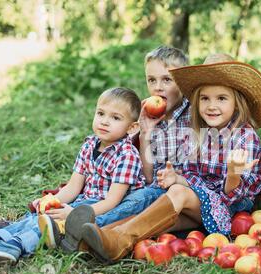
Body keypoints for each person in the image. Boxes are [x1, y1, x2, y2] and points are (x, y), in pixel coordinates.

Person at [79, 54, 261, 263]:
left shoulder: (244, 136)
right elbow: (192, 176)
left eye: (221, 98)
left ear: (237, 102)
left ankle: (115, 241)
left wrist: (233, 174)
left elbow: (232, 196)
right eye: (204, 98)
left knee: (177, 193)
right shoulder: (197, 133)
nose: (211, 105)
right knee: (152, 219)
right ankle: (93, 239)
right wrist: (176, 178)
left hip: (228, 212)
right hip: (199, 206)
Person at [0, 87, 145, 262]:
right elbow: (73, 187)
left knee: (51, 224)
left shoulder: (126, 154)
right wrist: (51, 202)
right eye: (101, 113)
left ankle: (15, 246)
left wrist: (74, 214)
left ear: (132, 127)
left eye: (115, 118)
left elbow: (112, 201)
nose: (104, 121)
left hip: (103, 211)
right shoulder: (89, 144)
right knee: (40, 215)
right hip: (83, 202)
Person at [61, 45, 195, 253]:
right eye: (152, 80)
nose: (158, 87)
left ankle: (83, 226)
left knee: (139, 200)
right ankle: (89, 233)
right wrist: (146, 133)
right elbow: (148, 177)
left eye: (167, 80)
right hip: (158, 191)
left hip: (187, 193)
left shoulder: (195, 114)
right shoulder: (150, 115)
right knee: (137, 199)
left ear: (183, 82)